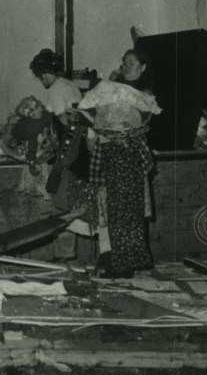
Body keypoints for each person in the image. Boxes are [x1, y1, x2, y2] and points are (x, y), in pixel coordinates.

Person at [77, 76, 161, 279]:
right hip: (123, 184)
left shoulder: (122, 141)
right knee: (126, 220)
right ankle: (127, 260)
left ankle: (123, 264)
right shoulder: (127, 140)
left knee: (122, 219)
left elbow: (144, 162)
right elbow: (146, 163)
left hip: (121, 184)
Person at [29, 48, 82, 121]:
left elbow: (63, 120)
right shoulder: (67, 82)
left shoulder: (55, 89)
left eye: (40, 78)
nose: (41, 81)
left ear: (44, 75)